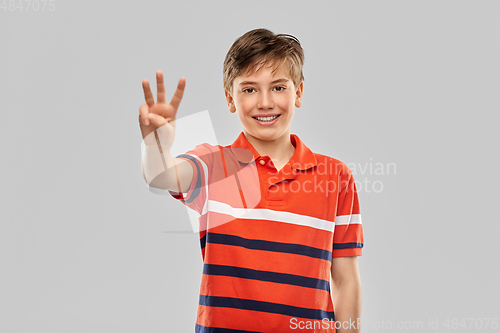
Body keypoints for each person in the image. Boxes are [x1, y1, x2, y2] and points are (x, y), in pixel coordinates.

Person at [139, 28, 364, 333]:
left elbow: (346, 279)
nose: (265, 102)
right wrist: (156, 145)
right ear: (230, 97)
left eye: (278, 87)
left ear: (298, 92)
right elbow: (161, 176)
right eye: (249, 89)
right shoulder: (214, 165)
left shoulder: (336, 176)